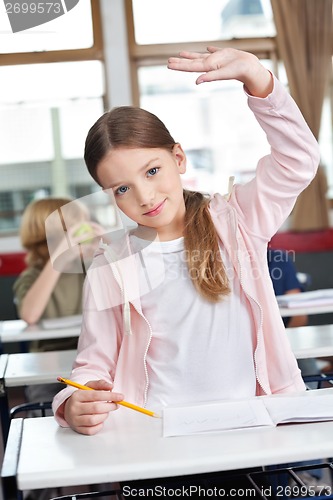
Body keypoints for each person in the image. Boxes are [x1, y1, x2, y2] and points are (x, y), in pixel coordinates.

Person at [52, 47, 320, 440]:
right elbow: (93, 364)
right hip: (154, 439)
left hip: (249, 429)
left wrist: (257, 79)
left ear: (178, 158)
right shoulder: (110, 264)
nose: (144, 196)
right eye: (123, 188)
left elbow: (298, 160)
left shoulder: (237, 220)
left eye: (153, 170)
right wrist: (74, 402)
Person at [13, 197, 101, 406]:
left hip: (89, 358)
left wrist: (102, 249)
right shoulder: (33, 276)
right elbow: (30, 315)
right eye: (78, 230)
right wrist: (60, 257)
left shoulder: (90, 268)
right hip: (47, 365)